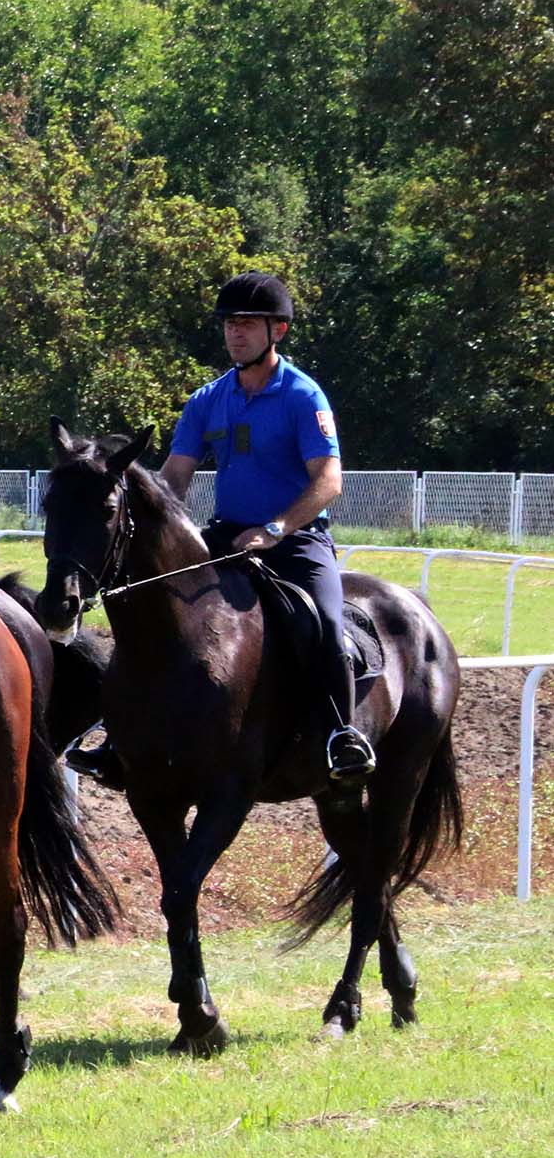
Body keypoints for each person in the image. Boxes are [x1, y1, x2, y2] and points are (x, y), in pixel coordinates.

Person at [68, 271, 376, 785]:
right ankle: (121, 739)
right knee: (152, 609)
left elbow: (328, 481)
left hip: (295, 541)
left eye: (248, 325)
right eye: (231, 324)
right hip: (223, 537)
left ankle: (340, 736)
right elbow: (174, 479)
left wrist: (275, 528)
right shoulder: (207, 399)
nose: (235, 334)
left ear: (277, 331)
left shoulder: (304, 396)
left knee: (322, 623)